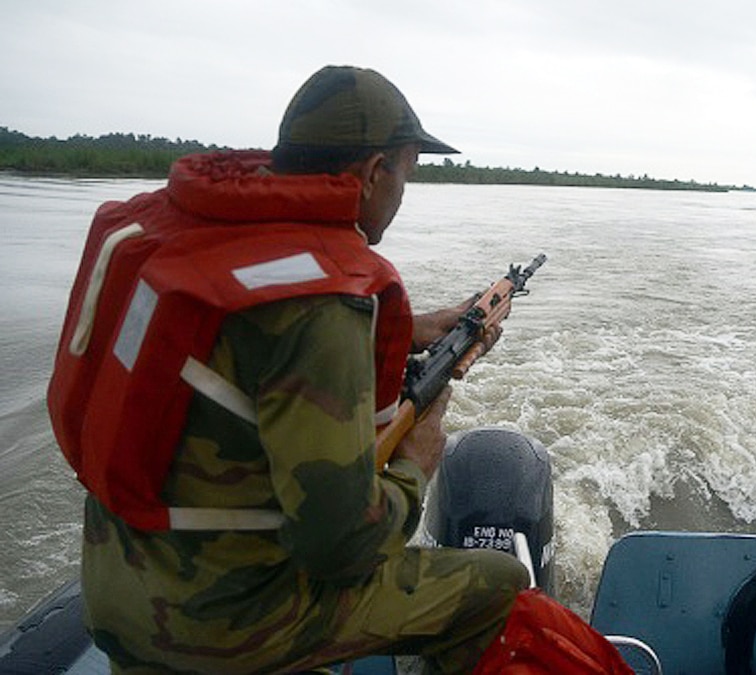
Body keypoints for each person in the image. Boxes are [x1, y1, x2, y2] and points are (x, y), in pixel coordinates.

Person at [47, 65, 626, 674]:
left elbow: (247, 361)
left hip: (120, 590)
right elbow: (341, 548)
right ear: (376, 173)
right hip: (221, 623)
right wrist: (413, 465)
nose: (403, 193)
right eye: (407, 172)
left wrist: (411, 328)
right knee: (500, 585)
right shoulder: (326, 305)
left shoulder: (208, 238)